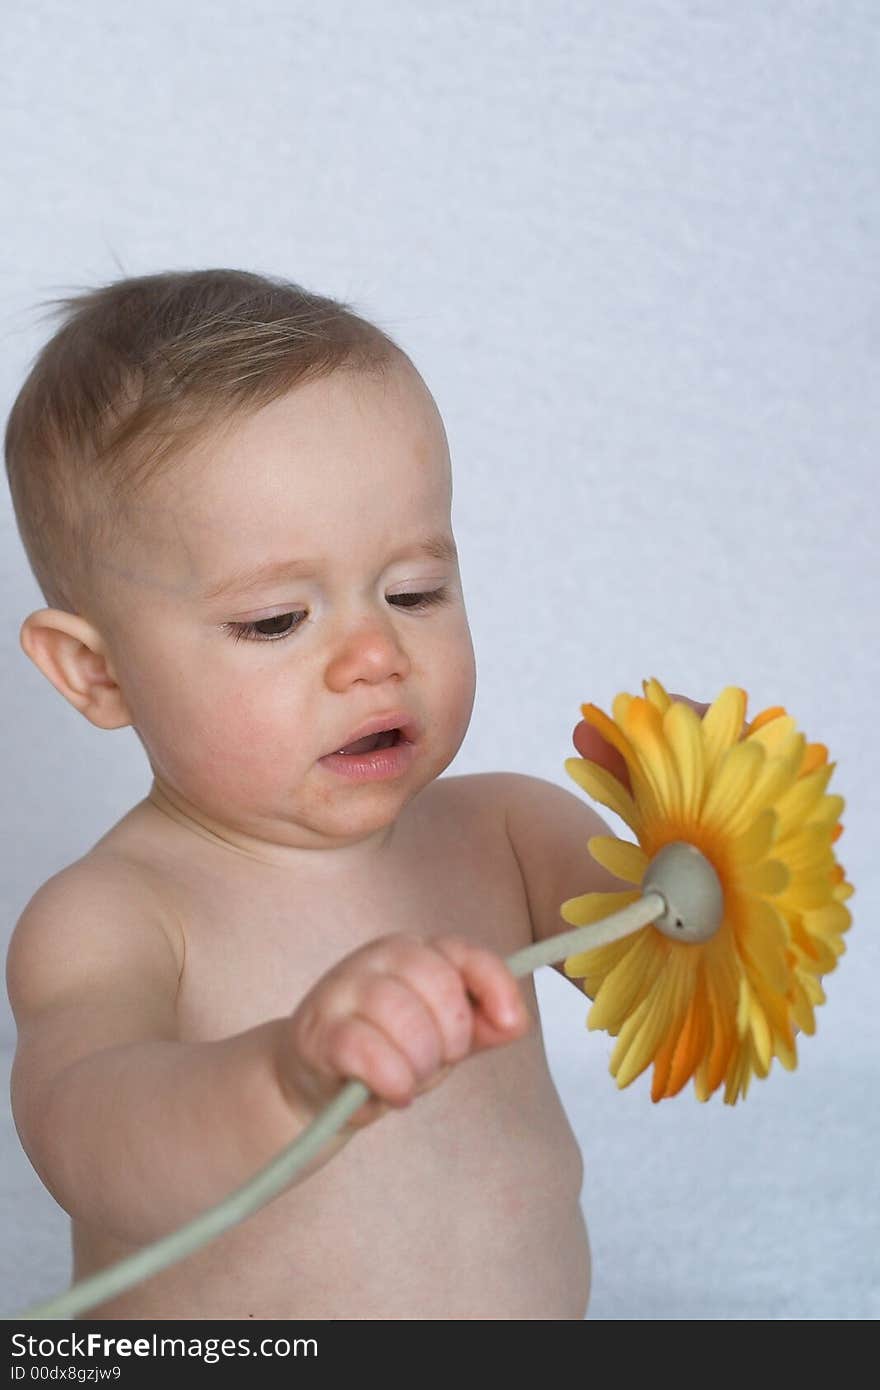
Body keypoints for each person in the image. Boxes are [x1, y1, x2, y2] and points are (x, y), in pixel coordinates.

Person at [4, 268, 703, 1320]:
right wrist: (282, 1081)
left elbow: (672, 969)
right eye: (277, 620)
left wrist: (701, 840)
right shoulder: (115, 916)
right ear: (96, 672)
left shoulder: (507, 836)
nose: (375, 653)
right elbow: (86, 1136)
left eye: (414, 591)